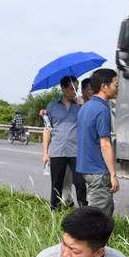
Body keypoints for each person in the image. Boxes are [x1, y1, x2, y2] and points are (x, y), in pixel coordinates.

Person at [76, 68, 119, 216]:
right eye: (115, 84)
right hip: (98, 169)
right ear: (104, 87)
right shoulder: (102, 109)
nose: (117, 88)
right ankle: (84, 239)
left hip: (85, 167)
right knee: (97, 218)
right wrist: (113, 174)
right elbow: (105, 145)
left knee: (105, 210)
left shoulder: (85, 107)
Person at [42, 76, 87, 209]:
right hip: (57, 151)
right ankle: (54, 210)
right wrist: (45, 153)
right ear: (62, 88)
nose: (74, 92)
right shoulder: (52, 106)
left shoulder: (81, 106)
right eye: (71, 89)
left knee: (80, 183)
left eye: (76, 89)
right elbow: (47, 129)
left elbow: (88, 124)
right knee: (56, 183)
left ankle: (84, 211)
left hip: (76, 151)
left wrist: (83, 106)